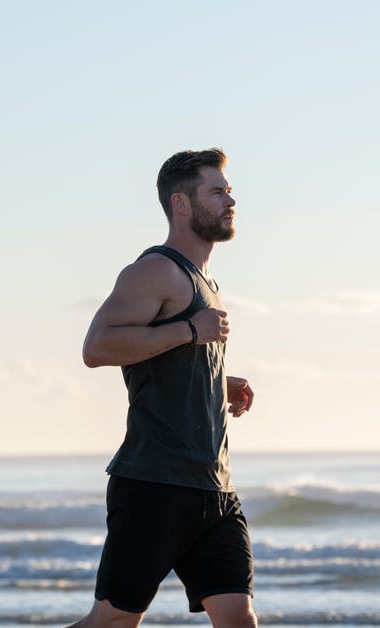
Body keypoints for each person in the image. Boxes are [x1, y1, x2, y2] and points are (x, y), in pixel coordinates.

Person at [70, 148, 257, 628]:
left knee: (238, 618)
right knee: (112, 621)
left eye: (228, 191)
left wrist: (216, 382)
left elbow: (165, 357)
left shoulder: (204, 280)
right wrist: (190, 333)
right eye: (216, 192)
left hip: (213, 486)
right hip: (155, 483)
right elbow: (98, 347)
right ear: (181, 203)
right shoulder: (156, 270)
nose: (229, 201)